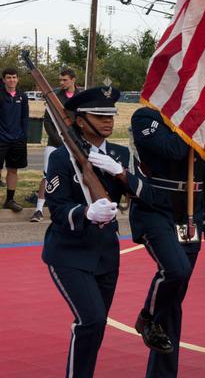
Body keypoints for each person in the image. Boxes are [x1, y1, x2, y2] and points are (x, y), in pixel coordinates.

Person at [42, 85, 144, 377]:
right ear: (78, 120)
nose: (108, 121)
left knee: (96, 327)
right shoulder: (62, 158)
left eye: (110, 115)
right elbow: (58, 209)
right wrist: (85, 212)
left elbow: (145, 195)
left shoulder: (120, 154)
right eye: (99, 116)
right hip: (69, 253)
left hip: (106, 254)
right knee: (92, 321)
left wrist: (121, 173)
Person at [129, 103, 205, 377]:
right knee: (175, 271)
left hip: (192, 212)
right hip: (157, 209)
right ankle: (146, 317)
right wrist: (192, 120)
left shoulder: (198, 117)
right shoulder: (145, 117)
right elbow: (174, 149)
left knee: (175, 295)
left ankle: (162, 373)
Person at [33, 68, 82, 222]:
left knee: (77, 174)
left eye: (65, 80)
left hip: (76, 142)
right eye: (60, 80)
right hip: (55, 142)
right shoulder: (54, 96)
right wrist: (60, 140)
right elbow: (48, 121)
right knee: (47, 175)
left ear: (73, 79)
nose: (61, 83)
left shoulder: (81, 96)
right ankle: (39, 209)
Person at [1, 67, 28, 212]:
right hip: (1, 139)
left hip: (17, 139)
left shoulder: (22, 96)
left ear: (18, 79)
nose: (11, 80)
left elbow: (24, 117)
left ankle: (9, 200)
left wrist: (23, 135)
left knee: (13, 170)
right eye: (8, 77)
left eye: (14, 77)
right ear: (4, 79)